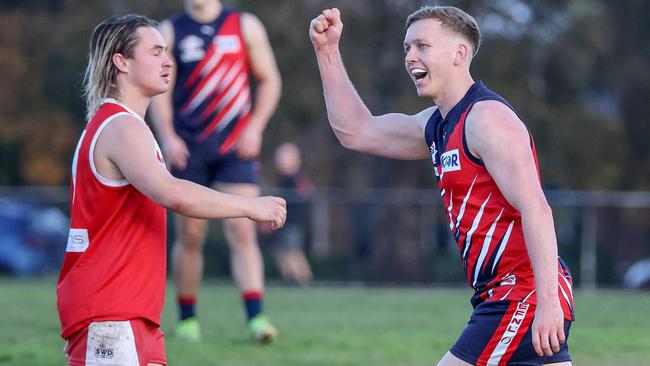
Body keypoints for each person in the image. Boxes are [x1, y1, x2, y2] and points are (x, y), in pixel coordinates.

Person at [309, 6, 575, 366]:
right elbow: (356, 131)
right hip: (506, 293)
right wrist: (327, 52)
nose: (410, 57)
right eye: (407, 48)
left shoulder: (487, 119)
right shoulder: (436, 124)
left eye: (422, 46)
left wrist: (547, 303)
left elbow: (537, 209)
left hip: (524, 291)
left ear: (459, 54)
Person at [56, 14, 286, 366]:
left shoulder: (124, 125)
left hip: (130, 315)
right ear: (122, 62)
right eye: (156, 52)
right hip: (112, 314)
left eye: (167, 52)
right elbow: (173, 193)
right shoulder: (121, 127)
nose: (168, 61)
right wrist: (251, 206)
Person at [148, 0, 282, 343]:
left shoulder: (244, 25)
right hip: (189, 150)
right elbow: (158, 89)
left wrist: (256, 128)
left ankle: (257, 319)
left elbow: (270, 81)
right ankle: (188, 320)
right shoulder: (170, 30)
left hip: (236, 148)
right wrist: (167, 135)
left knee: (243, 230)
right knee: (191, 235)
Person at [270, 142, 314, 285]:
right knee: (281, 252)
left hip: (293, 223)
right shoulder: (286, 178)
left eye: (284, 156)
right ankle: (291, 281)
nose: (280, 160)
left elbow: (305, 196)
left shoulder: (296, 178)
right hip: (286, 222)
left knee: (293, 253)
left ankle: (304, 283)